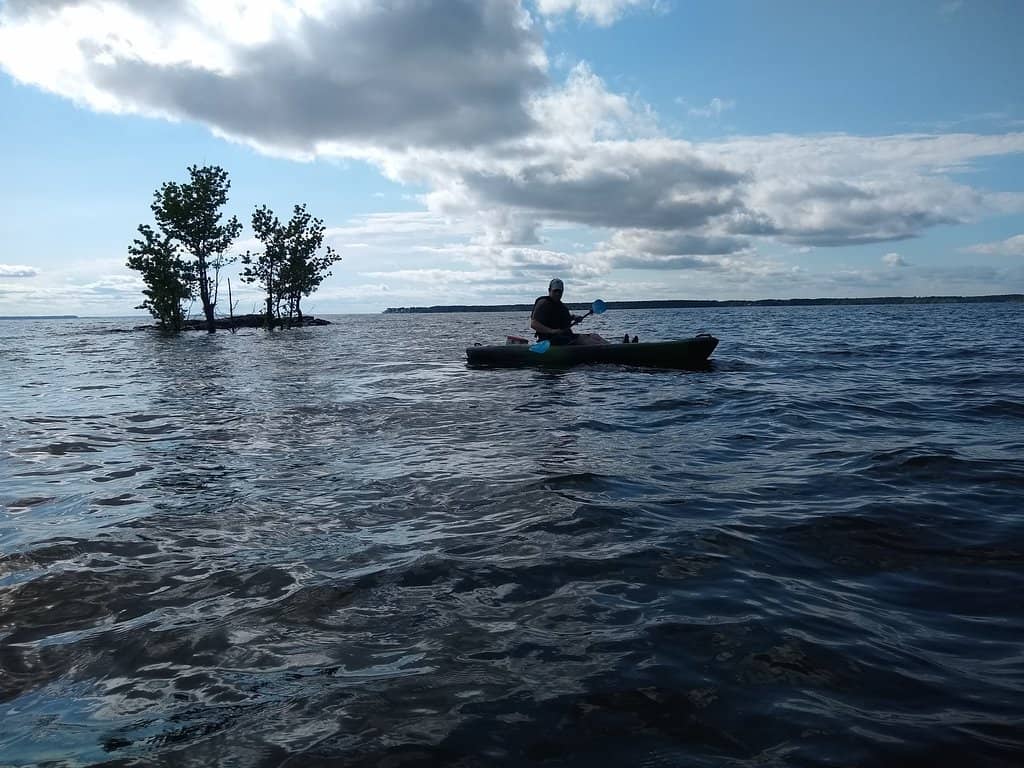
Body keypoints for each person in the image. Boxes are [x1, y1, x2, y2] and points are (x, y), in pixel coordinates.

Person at [530, 278, 607, 346]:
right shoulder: (543, 303)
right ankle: (607, 351)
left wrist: (574, 317)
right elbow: (534, 324)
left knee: (594, 336)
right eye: (555, 291)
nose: (557, 294)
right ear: (549, 290)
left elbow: (562, 319)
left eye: (559, 291)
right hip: (549, 340)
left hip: (563, 338)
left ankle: (612, 348)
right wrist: (552, 331)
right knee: (583, 339)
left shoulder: (561, 306)